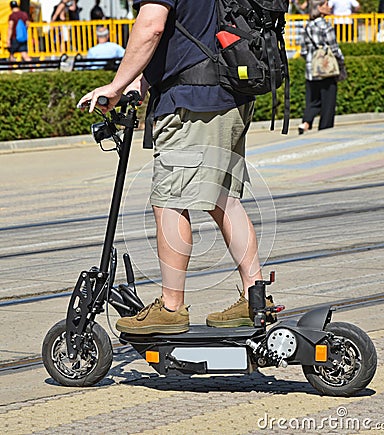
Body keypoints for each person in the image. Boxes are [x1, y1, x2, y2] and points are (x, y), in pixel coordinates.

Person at [78, 0, 270, 335]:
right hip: (228, 94)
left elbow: (151, 26)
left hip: (192, 104)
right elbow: (191, 35)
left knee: (169, 200)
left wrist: (116, 85)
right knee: (223, 200)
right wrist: (145, 83)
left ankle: (170, 307)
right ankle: (255, 299)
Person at [298, 0, 344, 134]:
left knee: (313, 99)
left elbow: (303, 50)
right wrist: (341, 61)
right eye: (325, 4)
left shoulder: (308, 26)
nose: (329, 7)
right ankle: (325, 129)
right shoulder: (326, 26)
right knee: (328, 100)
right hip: (326, 69)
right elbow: (334, 49)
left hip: (312, 69)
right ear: (319, 7)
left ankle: (305, 123)